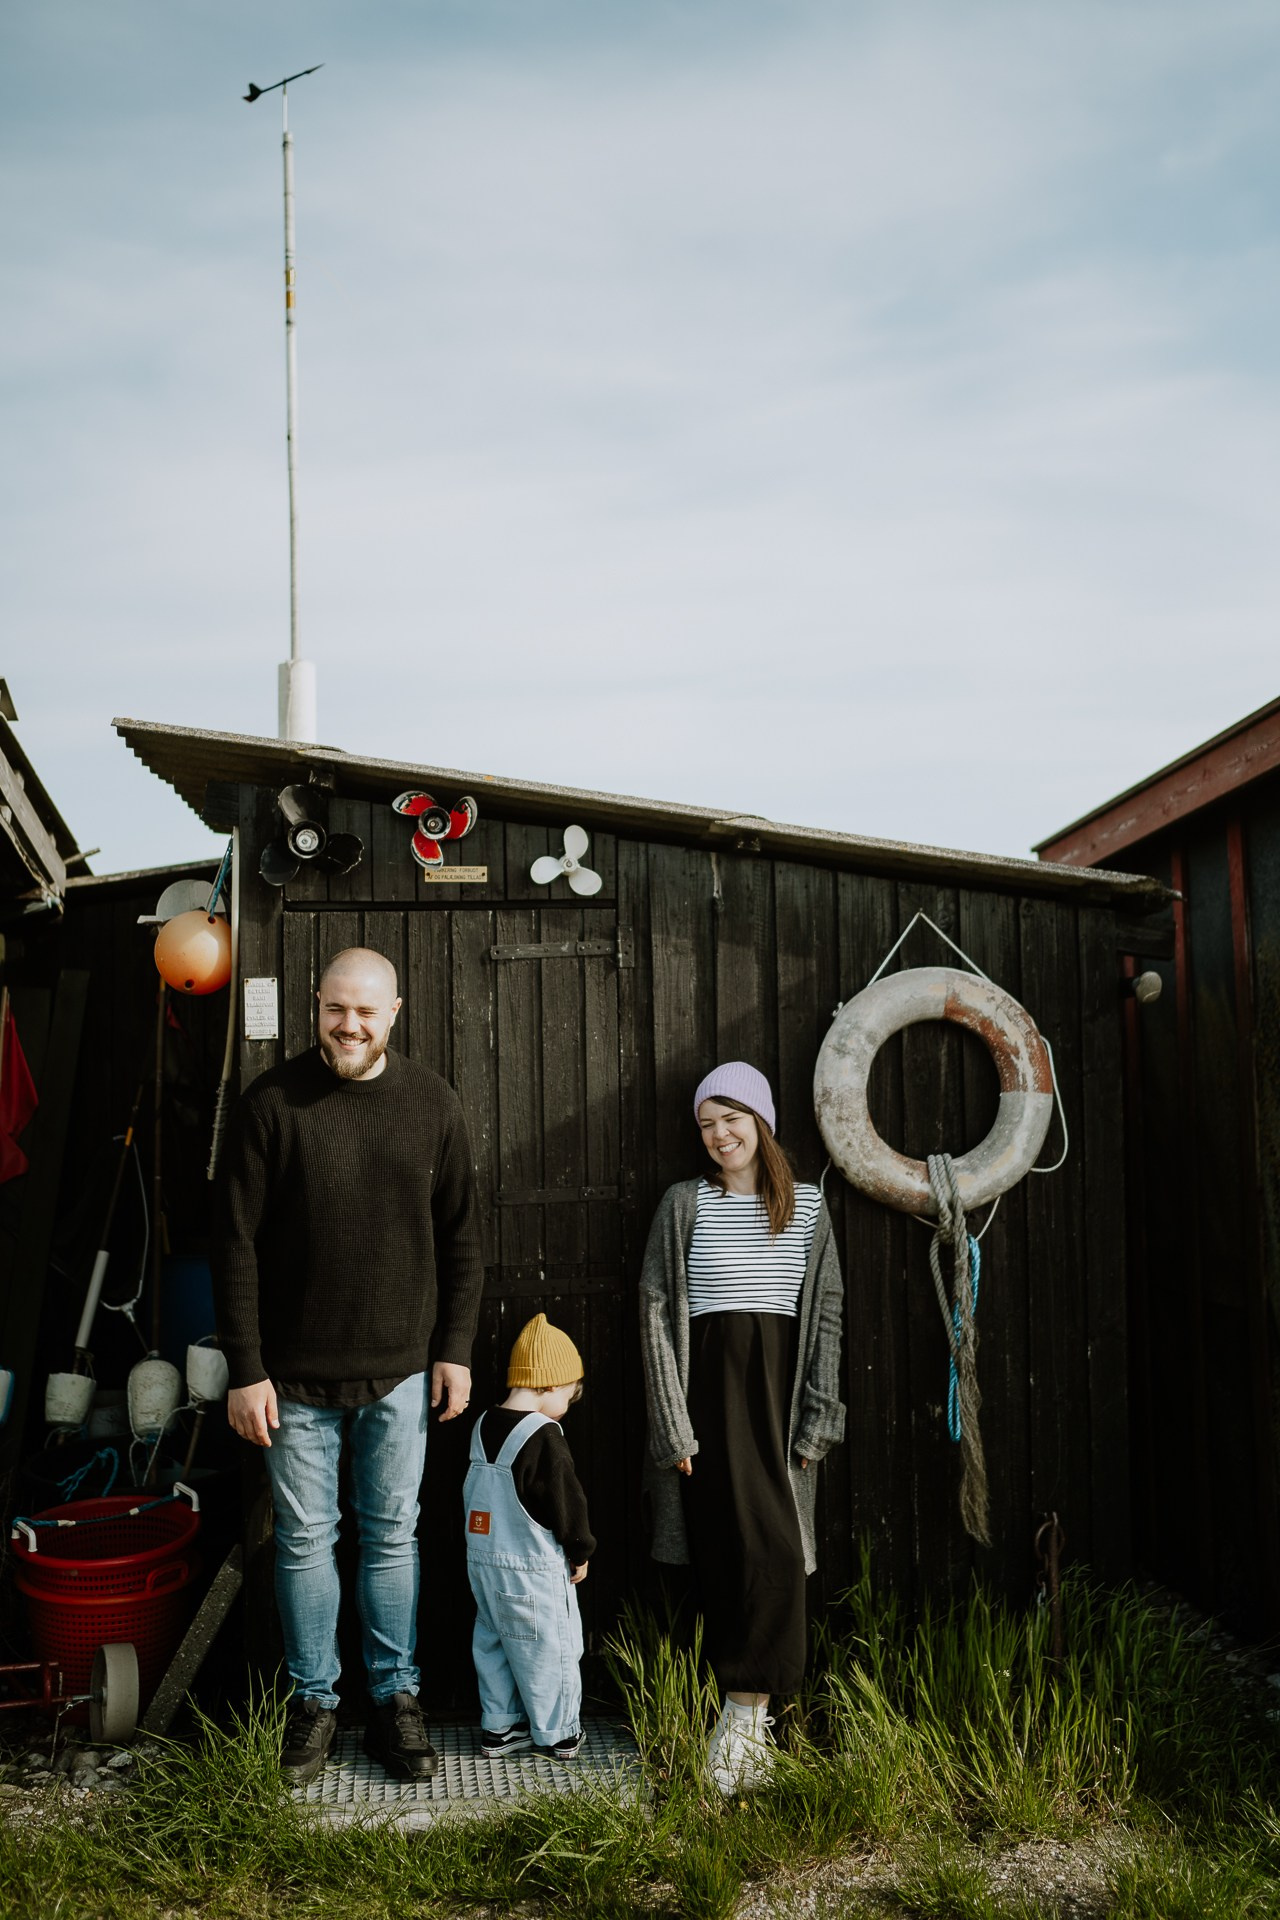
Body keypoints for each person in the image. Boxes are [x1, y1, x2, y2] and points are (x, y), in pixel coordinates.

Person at [213, 947, 483, 1787]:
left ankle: (396, 1701)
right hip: (290, 1381)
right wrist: (246, 1367)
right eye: (337, 1008)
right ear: (314, 1004)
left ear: (395, 1012)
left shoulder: (432, 1103)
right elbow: (233, 1245)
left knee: (391, 1538)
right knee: (302, 1542)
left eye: (367, 1011)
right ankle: (313, 1704)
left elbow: (464, 1238)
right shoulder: (271, 1104)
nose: (350, 1025)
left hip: (402, 1371)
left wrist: (454, 1351)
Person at [638, 1060, 845, 1794]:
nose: (719, 1134)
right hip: (708, 1400)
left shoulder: (810, 1209)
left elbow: (824, 1317)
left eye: (731, 1118)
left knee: (779, 1552)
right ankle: (743, 1726)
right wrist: (673, 1426)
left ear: (761, 1122)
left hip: (778, 1402)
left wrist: (819, 1421)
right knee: (725, 1550)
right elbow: (657, 1311)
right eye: (706, 1123)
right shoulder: (684, 1204)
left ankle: (745, 1721)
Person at [463, 1313, 593, 1761]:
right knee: (550, 1647)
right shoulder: (544, 1435)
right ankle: (558, 1733)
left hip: (483, 1562)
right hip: (531, 1567)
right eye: (568, 1398)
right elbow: (565, 1500)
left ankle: (500, 1728)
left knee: (494, 1643)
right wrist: (580, 1549)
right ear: (550, 1386)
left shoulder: (482, 1426)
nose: (567, 1409)